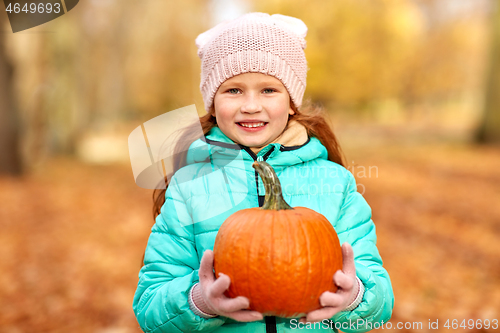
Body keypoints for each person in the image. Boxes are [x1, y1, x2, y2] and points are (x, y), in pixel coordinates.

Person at [133, 12, 394, 333]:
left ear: (292, 102)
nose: (251, 105)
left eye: (269, 90)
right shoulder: (191, 186)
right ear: (213, 104)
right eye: (234, 90)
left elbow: (378, 297)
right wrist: (200, 301)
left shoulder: (335, 183)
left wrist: (354, 297)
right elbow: (150, 306)